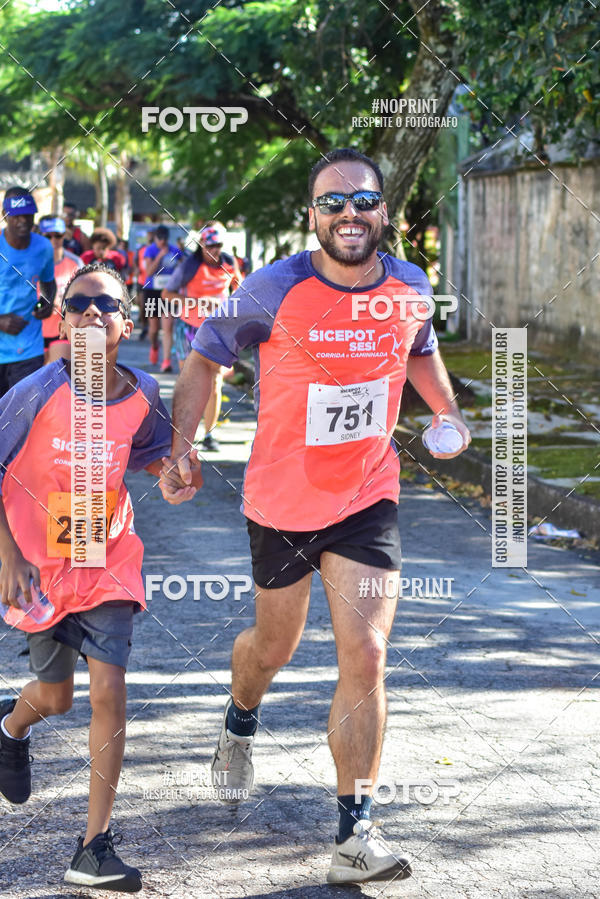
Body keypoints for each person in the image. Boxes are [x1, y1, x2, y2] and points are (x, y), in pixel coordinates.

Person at [162, 148, 471, 884]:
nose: (348, 214)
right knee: (274, 646)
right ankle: (241, 716)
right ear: (313, 216)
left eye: (363, 201)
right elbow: (204, 359)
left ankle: (354, 835)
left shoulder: (409, 285)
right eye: (333, 203)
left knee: (366, 653)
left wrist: (449, 411)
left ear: (384, 212)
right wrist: (181, 446)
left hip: (368, 495)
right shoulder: (272, 288)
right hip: (282, 500)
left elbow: (420, 350)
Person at [0, 263, 201, 891]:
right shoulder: (34, 393)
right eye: (80, 303)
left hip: (105, 556)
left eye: (107, 304)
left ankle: (93, 848)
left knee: (109, 689)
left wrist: (172, 474)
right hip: (38, 565)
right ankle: (10, 726)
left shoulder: (143, 392)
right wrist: (8, 556)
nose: (93, 312)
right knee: (55, 698)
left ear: (127, 322)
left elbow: (152, 454)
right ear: (62, 322)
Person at [163, 222, 240, 451]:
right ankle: (183, 434)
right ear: (202, 245)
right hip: (189, 327)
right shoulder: (189, 266)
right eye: (210, 246)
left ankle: (209, 435)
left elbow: (240, 289)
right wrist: (197, 303)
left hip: (217, 329)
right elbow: (167, 294)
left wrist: (230, 306)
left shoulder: (229, 263)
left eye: (218, 245)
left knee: (215, 382)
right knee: (189, 381)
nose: (215, 250)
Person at [0, 187, 56, 396]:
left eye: (28, 215)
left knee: (22, 411)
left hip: (29, 349)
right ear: (5, 215)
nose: (23, 221)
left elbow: (48, 282)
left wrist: (47, 302)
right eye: (16, 216)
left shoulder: (44, 247)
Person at [38, 215, 82, 362]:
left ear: (64, 235)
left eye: (58, 235)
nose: (53, 240)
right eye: (48, 236)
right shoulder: (30, 262)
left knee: (56, 374)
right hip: (33, 333)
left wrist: (64, 303)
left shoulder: (75, 263)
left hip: (62, 332)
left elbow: (86, 297)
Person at [142, 225, 182, 372]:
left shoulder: (175, 251)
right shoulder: (150, 250)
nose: (162, 242)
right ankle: (154, 346)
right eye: (159, 239)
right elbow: (148, 272)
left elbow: (182, 269)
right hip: (152, 291)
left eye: (164, 239)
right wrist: (159, 256)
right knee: (153, 329)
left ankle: (166, 361)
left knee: (168, 326)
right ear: (155, 238)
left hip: (169, 292)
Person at [135, 229, 155, 341]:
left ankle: (152, 328)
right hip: (142, 281)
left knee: (151, 308)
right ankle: (144, 327)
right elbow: (136, 262)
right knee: (142, 306)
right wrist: (136, 269)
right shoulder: (141, 250)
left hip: (153, 284)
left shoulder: (157, 250)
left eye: (152, 236)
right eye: (149, 236)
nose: (150, 238)